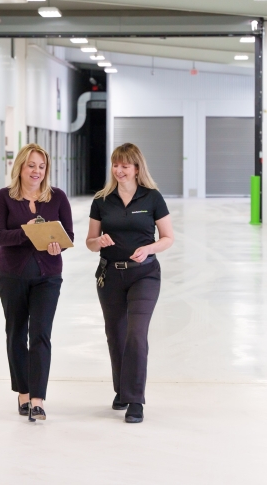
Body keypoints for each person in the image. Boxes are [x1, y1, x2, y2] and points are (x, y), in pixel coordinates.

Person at [85, 143, 174, 423]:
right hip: (110, 274)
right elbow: (89, 242)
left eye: (125, 165)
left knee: (136, 334)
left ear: (137, 168)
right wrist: (97, 242)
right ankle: (121, 391)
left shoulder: (152, 198)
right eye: (115, 165)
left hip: (144, 274)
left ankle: (135, 398)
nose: (119, 170)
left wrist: (149, 249)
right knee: (116, 334)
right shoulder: (101, 200)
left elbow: (168, 237)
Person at [0, 143, 74, 422]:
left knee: (40, 334)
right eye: (31, 166)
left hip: (47, 276)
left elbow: (67, 236)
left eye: (41, 166)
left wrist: (57, 246)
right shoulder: (4, 197)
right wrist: (29, 233)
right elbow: (0, 236)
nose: (37, 171)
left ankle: (38, 400)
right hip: (12, 276)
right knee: (16, 333)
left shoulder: (57, 198)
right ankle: (23, 393)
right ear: (20, 168)